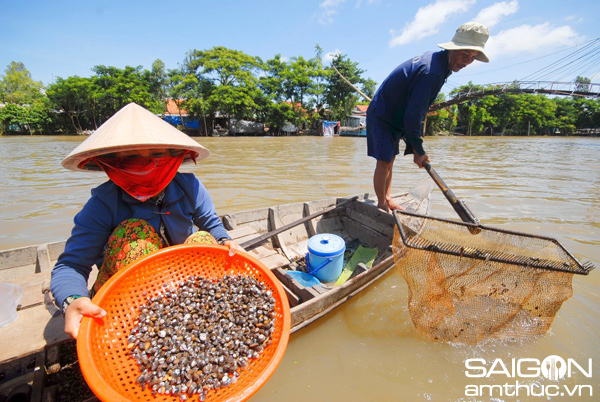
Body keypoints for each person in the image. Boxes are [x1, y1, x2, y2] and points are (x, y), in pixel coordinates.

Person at [51, 102, 243, 339]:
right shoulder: (104, 202)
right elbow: (70, 265)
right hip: (126, 291)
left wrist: (225, 238)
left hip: (180, 280)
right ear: (112, 162)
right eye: (131, 157)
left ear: (172, 156)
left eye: (155, 155)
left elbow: (211, 222)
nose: (145, 165)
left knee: (204, 239)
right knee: (136, 234)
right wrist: (72, 299)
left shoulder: (190, 187)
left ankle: (192, 314)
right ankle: (131, 323)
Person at [367, 22, 490, 211]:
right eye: (465, 54)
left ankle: (388, 197)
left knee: (390, 159)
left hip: (395, 115)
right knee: (384, 161)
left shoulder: (439, 63)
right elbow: (413, 115)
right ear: (453, 49)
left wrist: (416, 148)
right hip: (384, 115)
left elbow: (415, 110)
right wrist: (418, 149)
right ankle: (382, 204)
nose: (466, 62)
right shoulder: (432, 71)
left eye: (472, 58)